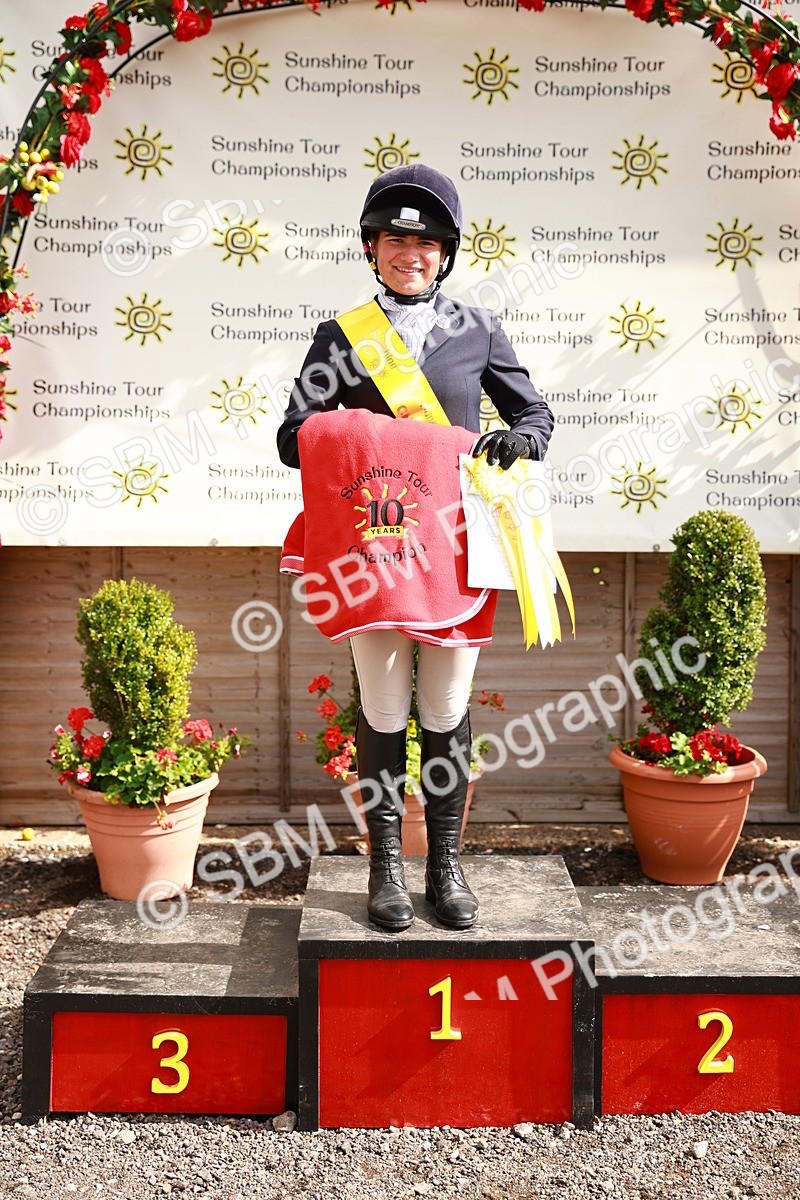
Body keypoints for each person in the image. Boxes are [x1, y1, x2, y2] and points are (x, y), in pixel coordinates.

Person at [277, 164, 553, 933]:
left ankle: (447, 868)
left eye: (428, 241)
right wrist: (364, 437)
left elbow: (534, 414)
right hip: (378, 551)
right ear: (372, 248)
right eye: (397, 238)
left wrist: (516, 439)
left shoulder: (479, 329)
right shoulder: (341, 337)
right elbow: (292, 440)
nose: (413, 252)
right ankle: (385, 872)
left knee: (445, 709)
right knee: (385, 707)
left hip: (456, 550)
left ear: (447, 253)